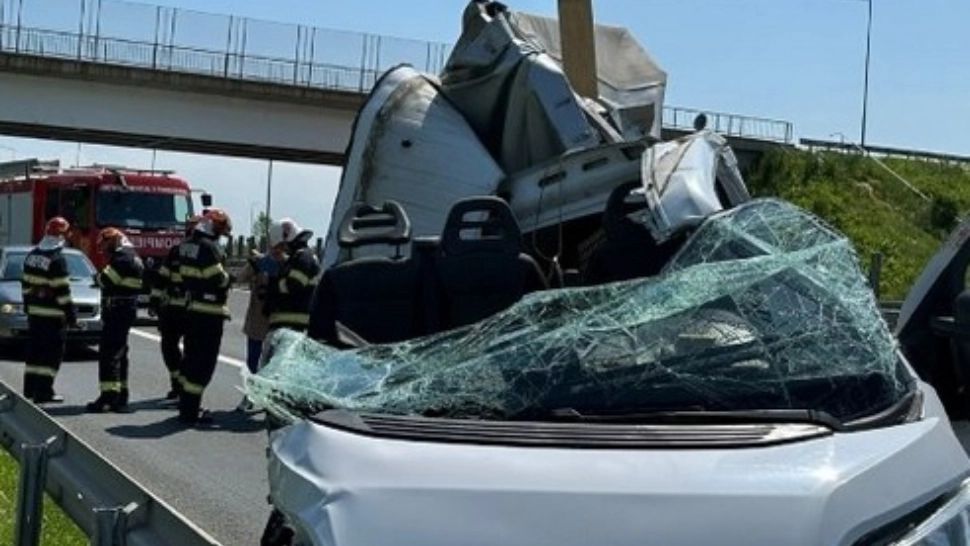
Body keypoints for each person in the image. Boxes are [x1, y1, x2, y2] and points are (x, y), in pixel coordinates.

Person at [178, 208, 233, 425]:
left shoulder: (187, 245)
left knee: (190, 359)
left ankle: (186, 407)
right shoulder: (209, 248)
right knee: (203, 364)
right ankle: (191, 412)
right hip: (209, 313)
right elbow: (219, 279)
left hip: (192, 308)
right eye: (220, 231)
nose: (221, 236)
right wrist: (230, 278)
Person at [86, 228, 144, 413]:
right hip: (124, 310)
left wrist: (97, 277)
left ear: (113, 242)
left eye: (105, 244)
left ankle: (108, 397)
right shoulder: (132, 256)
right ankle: (121, 394)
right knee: (120, 353)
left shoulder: (121, 259)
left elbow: (104, 280)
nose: (103, 248)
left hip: (117, 310)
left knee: (109, 354)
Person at [21, 217, 76, 403]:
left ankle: (30, 389)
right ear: (61, 235)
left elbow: (26, 286)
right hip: (53, 317)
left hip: (35, 315)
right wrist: (71, 316)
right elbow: (63, 292)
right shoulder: (57, 259)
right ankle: (44, 391)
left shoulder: (32, 255)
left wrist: (29, 307)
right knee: (51, 356)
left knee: (34, 353)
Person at [150, 215, 202, 400]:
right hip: (172, 309)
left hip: (193, 310)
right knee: (168, 347)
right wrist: (154, 301)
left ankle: (185, 387)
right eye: (189, 229)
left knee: (191, 351)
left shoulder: (206, 253)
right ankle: (177, 382)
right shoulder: (175, 251)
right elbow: (162, 277)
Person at [235, 228, 285, 410]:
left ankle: (271, 398)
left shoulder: (288, 265)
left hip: (276, 320)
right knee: (252, 361)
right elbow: (239, 278)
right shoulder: (259, 262)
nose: (277, 249)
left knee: (274, 363)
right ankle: (249, 396)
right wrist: (253, 266)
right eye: (275, 245)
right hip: (257, 319)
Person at [266, 218, 321, 333]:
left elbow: (293, 285)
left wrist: (272, 286)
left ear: (287, 238)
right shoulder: (296, 258)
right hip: (288, 326)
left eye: (282, 245)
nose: (282, 249)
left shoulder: (304, 258)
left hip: (295, 328)